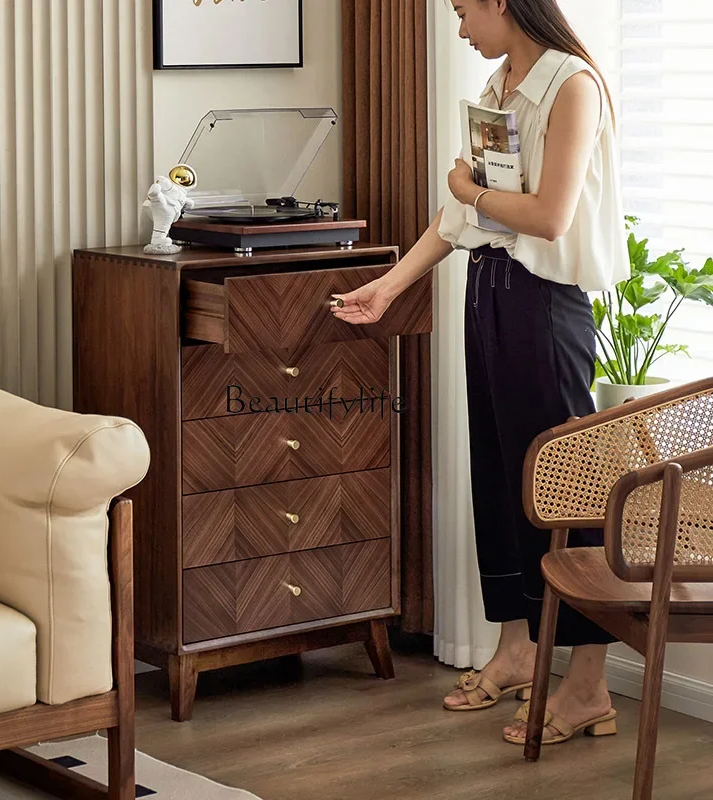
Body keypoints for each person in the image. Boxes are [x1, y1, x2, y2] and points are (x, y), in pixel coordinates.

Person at [330, 0, 629, 746]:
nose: (460, 28)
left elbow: (549, 216)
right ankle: (520, 650)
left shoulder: (572, 85)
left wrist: (473, 192)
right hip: (489, 294)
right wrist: (391, 286)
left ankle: (588, 686)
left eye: (464, 11)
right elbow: (463, 219)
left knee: (561, 488)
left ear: (501, 0)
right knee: (499, 477)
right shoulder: (500, 89)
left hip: (545, 307)